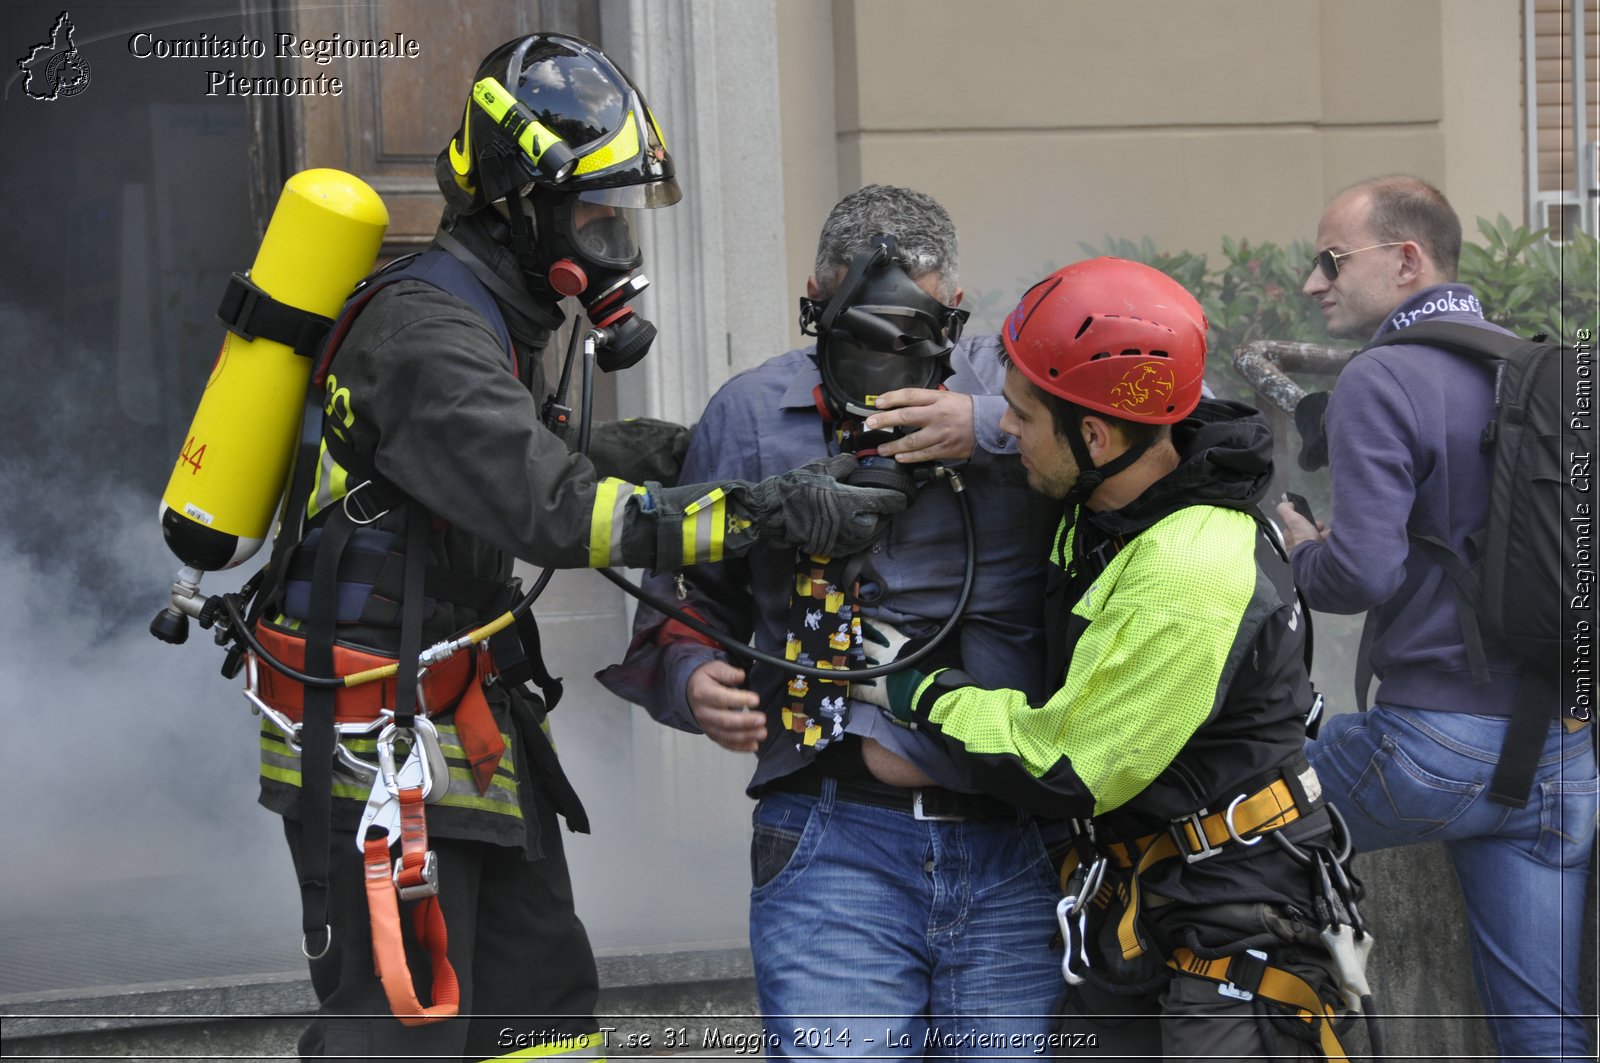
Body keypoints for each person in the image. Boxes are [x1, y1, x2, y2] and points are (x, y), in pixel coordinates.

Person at [246, 35, 908, 1060]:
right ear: (523, 204)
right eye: (596, 216)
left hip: (456, 717)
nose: (613, 245)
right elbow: (560, 510)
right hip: (378, 739)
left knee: (540, 1004)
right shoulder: (426, 333)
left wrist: (698, 449)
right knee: (404, 1026)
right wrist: (762, 512)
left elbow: (535, 449)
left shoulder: (485, 318)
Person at [853, 257, 1359, 1061]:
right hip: (1147, 910)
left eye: (1019, 415)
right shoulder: (1103, 504)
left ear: (1095, 433)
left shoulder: (1190, 565)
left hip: (1234, 931)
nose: (1003, 428)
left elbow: (1069, 765)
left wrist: (919, 692)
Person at [599, 185, 1064, 1057]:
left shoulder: (1025, 400)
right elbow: (686, 601)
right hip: (831, 841)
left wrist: (994, 425)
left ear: (954, 310)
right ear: (812, 301)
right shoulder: (749, 413)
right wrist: (691, 675)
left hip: (1019, 845)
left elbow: (1177, 442)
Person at [1278, 174, 1597, 1063]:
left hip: (1433, 755)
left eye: (1332, 260)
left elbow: (1361, 573)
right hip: (1562, 757)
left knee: (1217, 808)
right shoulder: (1541, 368)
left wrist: (1301, 549)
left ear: (1406, 260)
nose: (1314, 283)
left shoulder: (1384, 376)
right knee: (1548, 1032)